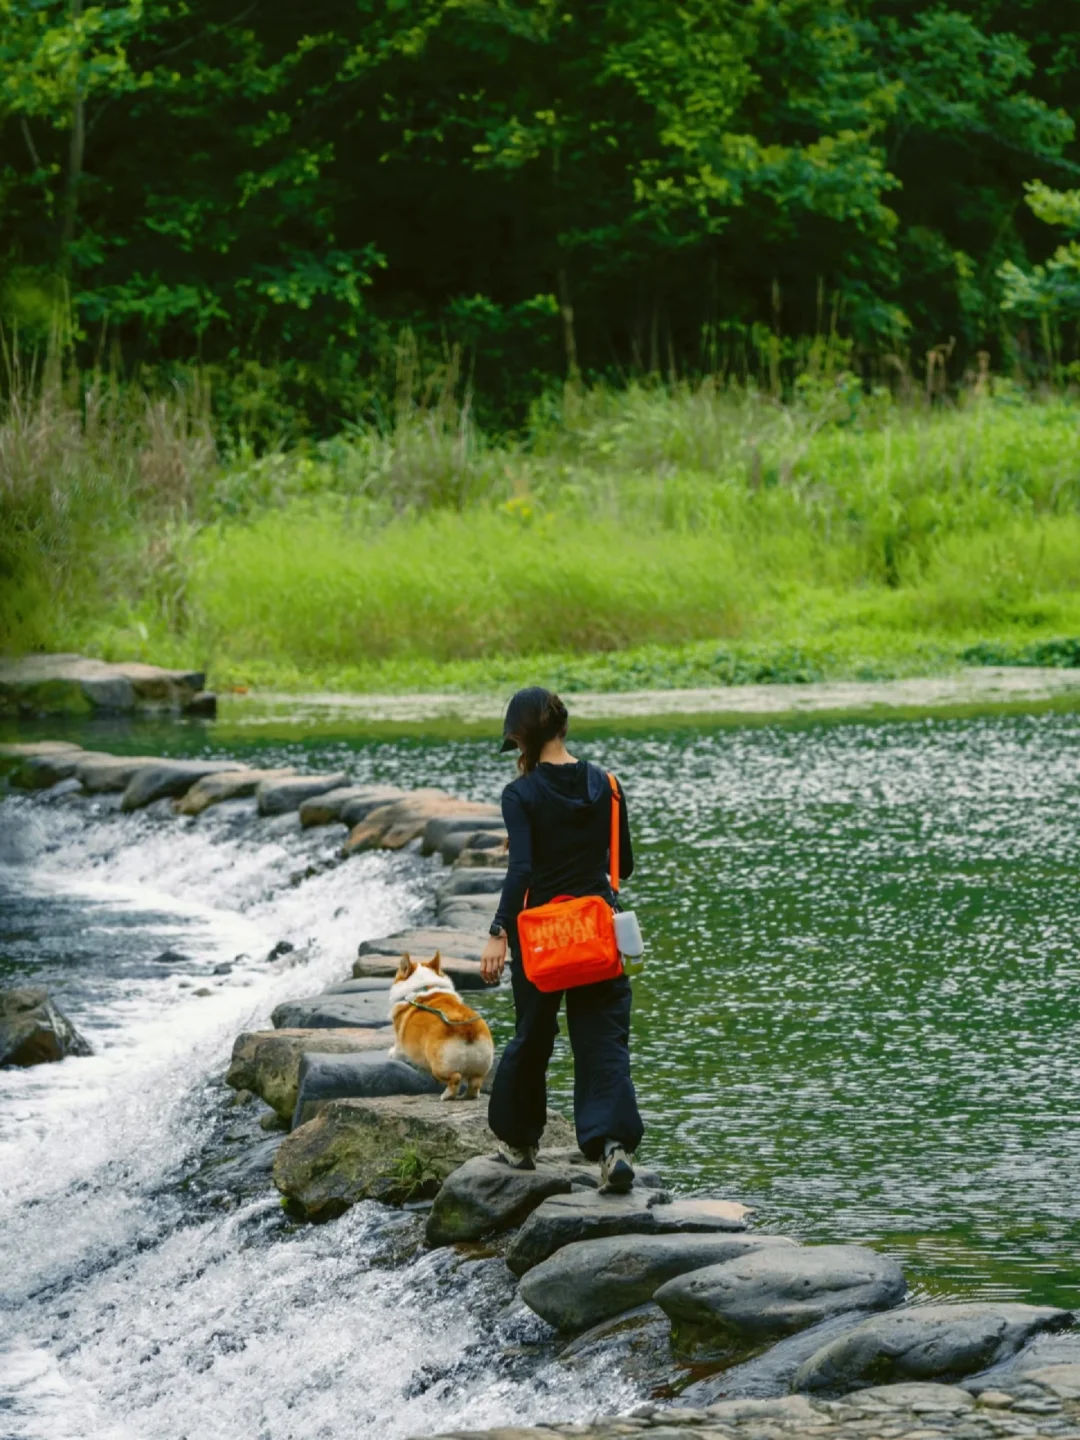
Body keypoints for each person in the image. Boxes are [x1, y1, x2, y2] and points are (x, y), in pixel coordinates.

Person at [480, 686, 644, 1193]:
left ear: (522, 740)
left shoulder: (520, 794)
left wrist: (498, 931)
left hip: (544, 939)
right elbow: (626, 866)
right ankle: (612, 1147)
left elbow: (523, 868)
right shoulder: (607, 784)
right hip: (598, 933)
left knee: (533, 1036)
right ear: (563, 729)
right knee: (602, 1042)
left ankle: (519, 1143)